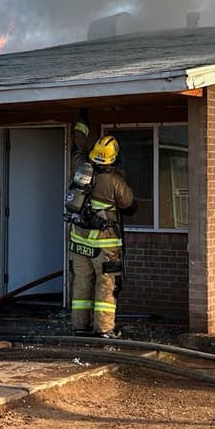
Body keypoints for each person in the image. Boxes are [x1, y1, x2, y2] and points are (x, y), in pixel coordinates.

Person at [67, 117, 135, 339]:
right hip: (105, 247)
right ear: (113, 158)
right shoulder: (114, 182)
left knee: (81, 285)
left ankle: (79, 326)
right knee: (107, 287)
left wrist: (82, 120)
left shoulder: (79, 169)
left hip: (78, 242)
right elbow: (130, 206)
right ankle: (105, 329)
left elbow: (77, 147)